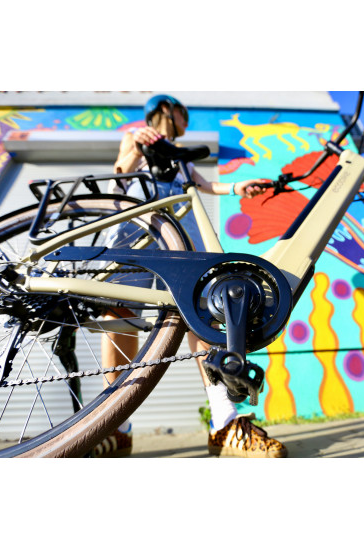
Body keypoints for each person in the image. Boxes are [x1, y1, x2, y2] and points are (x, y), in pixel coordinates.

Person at [92, 94, 288, 458]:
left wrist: (237, 187)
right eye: (183, 113)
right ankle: (115, 425)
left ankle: (224, 419)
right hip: (138, 221)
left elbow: (201, 185)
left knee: (202, 312)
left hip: (182, 226)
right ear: (167, 109)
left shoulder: (182, 154)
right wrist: (137, 148)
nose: (186, 120)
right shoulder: (135, 135)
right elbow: (119, 173)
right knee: (120, 311)